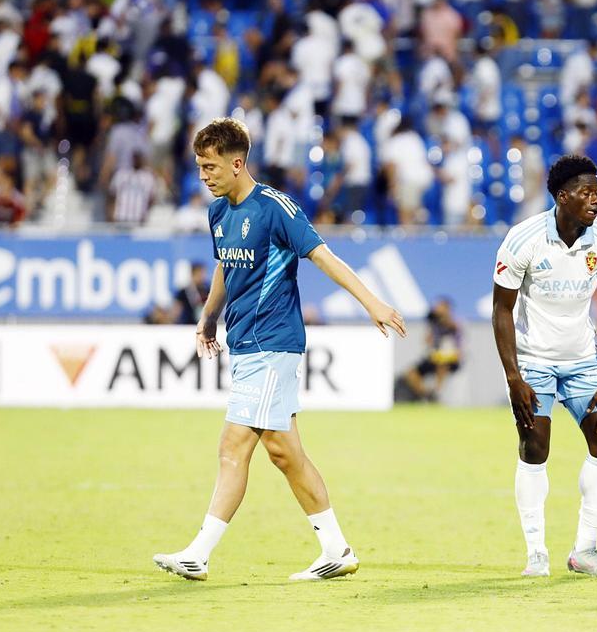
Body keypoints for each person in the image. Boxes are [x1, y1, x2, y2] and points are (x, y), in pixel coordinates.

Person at [153, 118, 406, 582]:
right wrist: (209, 316)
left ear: (237, 162)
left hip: (274, 343)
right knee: (284, 452)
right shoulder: (218, 214)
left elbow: (323, 255)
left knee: (233, 446)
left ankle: (199, 552)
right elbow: (225, 268)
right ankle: (336, 548)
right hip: (245, 344)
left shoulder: (276, 209)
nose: (203, 176)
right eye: (199, 167)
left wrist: (373, 303)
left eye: (210, 167)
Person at [491, 154, 597, 578]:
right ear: (562, 196)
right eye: (587, 193)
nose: (596, 201)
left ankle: (585, 550)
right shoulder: (523, 239)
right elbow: (501, 311)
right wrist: (514, 378)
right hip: (533, 360)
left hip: (584, 361)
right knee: (536, 445)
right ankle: (536, 552)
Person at [400, 297, 463, 402]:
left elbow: (457, 337)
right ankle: (427, 395)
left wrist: (443, 319)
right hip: (434, 357)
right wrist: (432, 325)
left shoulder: (455, 322)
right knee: (411, 374)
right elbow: (427, 341)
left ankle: (437, 393)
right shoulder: (434, 323)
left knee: (442, 365)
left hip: (451, 359)